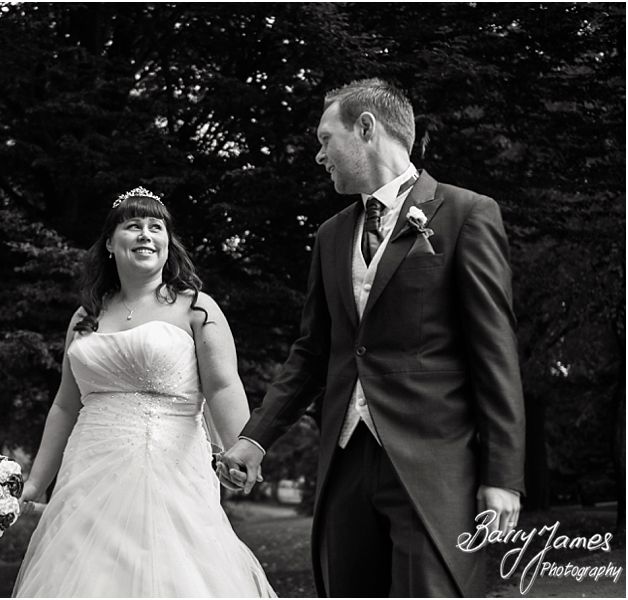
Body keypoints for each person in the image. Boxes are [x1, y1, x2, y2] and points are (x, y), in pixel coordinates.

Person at [217, 78, 525, 597]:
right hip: (346, 462)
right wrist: (254, 438)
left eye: (325, 139)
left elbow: (494, 353)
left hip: (433, 462)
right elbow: (313, 353)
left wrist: (503, 474)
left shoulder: (466, 213)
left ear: (365, 128)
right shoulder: (332, 234)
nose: (320, 156)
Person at [11, 187, 275, 597]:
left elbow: (223, 386)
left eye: (156, 227)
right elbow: (64, 405)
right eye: (133, 226)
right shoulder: (85, 317)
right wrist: (35, 483)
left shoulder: (197, 308)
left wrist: (242, 452)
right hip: (87, 477)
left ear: (169, 245)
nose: (146, 235)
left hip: (169, 475)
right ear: (111, 246)